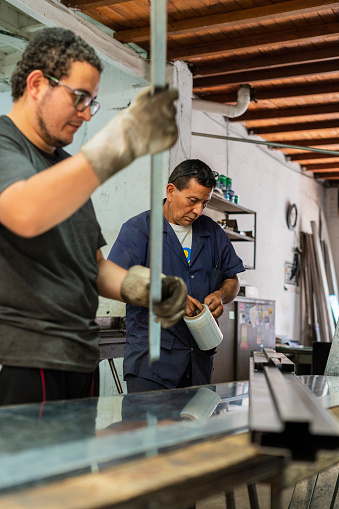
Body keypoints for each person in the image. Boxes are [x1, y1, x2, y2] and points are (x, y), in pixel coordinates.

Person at [0, 27, 187, 406]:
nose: (86, 114)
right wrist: (122, 141)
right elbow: (24, 213)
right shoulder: (4, 147)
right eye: (79, 98)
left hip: (79, 361)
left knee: (76, 468)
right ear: (36, 83)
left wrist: (144, 288)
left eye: (93, 103)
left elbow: (92, 265)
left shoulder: (66, 168)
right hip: (22, 358)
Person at [108, 159, 245, 393]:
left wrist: (221, 295)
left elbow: (233, 279)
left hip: (198, 363)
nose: (198, 210)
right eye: (193, 201)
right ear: (171, 191)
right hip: (151, 365)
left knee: (195, 430)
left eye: (205, 202)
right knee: (149, 429)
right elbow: (115, 282)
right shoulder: (139, 230)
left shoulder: (212, 232)